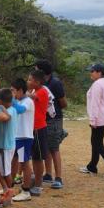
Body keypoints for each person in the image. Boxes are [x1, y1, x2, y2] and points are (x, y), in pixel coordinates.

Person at [35, 60, 67, 189]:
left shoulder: (55, 83)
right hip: (44, 119)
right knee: (46, 147)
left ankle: (58, 177)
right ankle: (48, 174)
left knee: (54, 148)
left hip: (54, 119)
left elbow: (63, 102)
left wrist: (54, 110)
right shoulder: (40, 84)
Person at [10, 78, 36, 202]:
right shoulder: (19, 101)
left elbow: (20, 110)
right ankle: (9, 187)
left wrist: (11, 99)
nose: (12, 93)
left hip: (24, 137)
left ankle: (26, 190)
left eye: (13, 90)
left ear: (20, 90)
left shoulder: (28, 101)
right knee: (14, 161)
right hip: (16, 136)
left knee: (24, 163)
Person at [27, 70, 50, 196]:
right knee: (34, 157)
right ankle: (35, 180)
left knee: (38, 158)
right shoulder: (35, 90)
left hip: (38, 128)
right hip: (32, 128)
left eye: (30, 80)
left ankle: (38, 184)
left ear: (37, 82)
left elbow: (32, 97)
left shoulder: (42, 91)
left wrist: (21, 92)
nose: (28, 81)